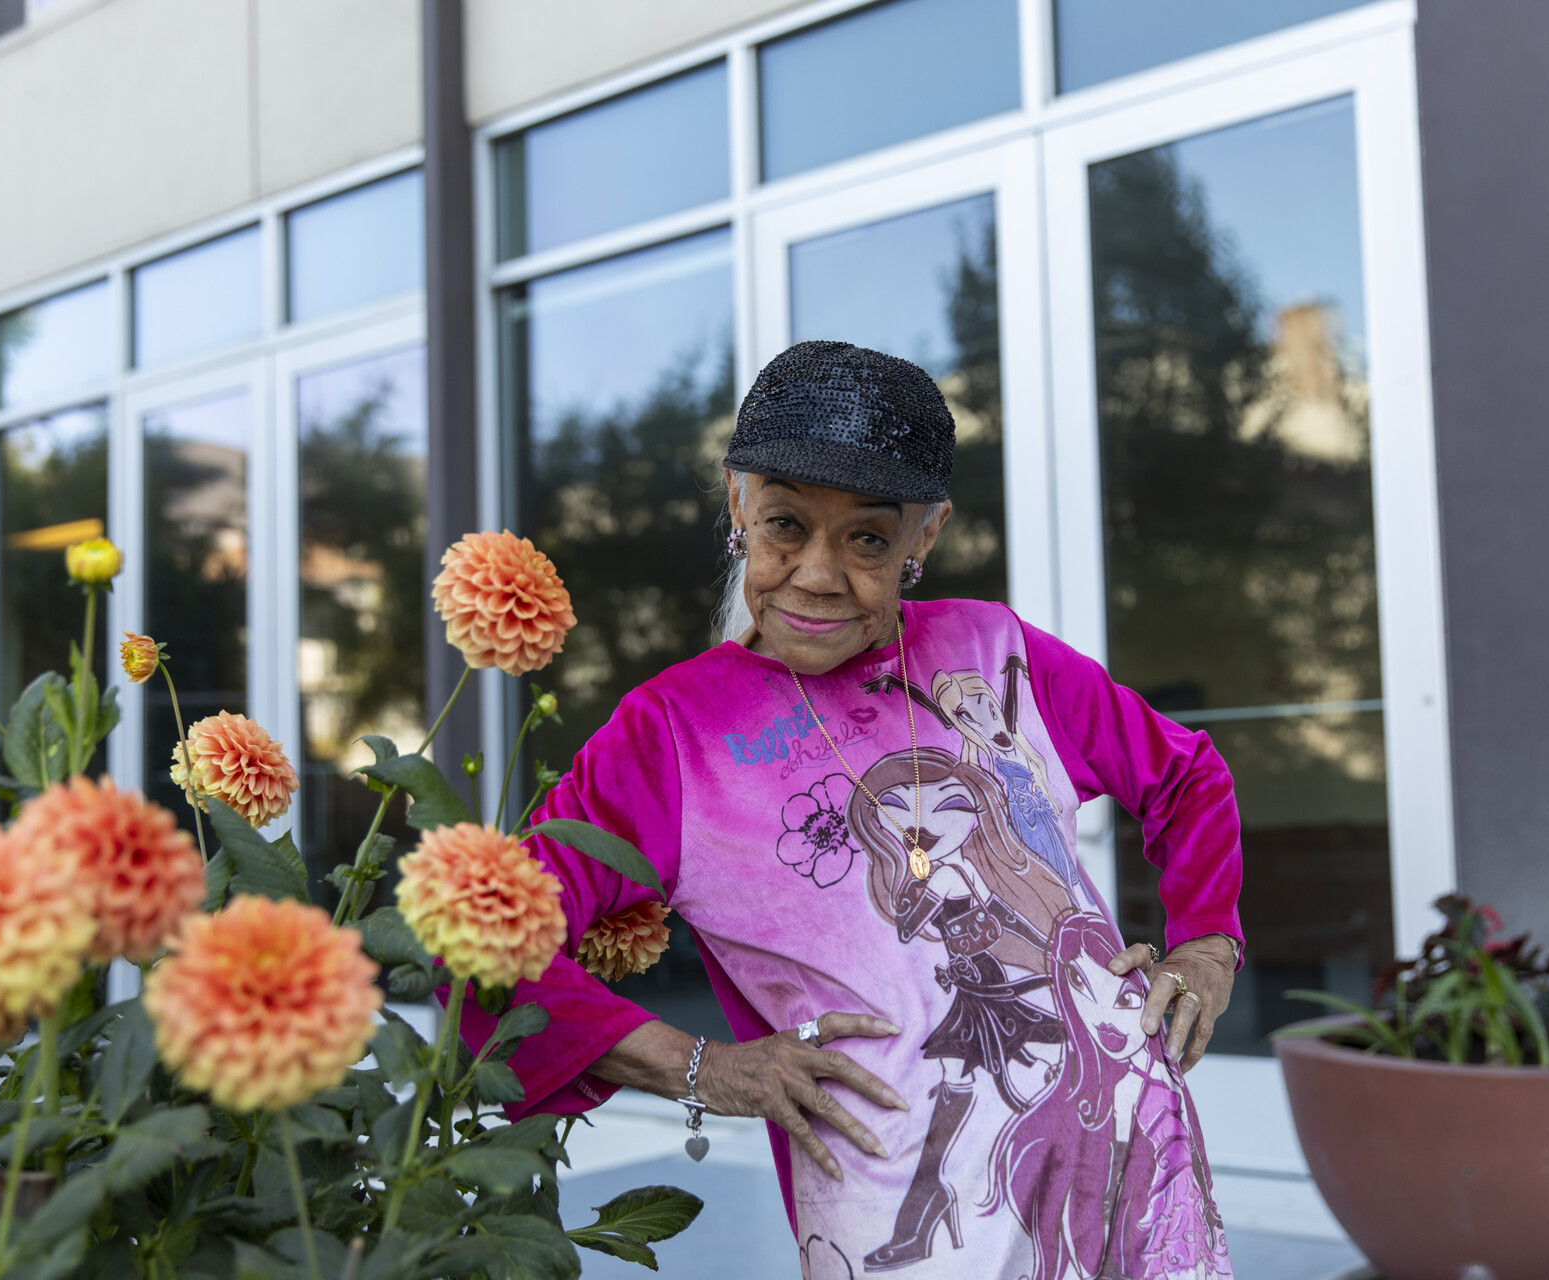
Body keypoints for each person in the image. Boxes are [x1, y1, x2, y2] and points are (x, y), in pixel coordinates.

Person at [470, 341, 1245, 1279]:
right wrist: (705, 1068)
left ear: (926, 534)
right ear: (736, 507)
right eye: (786, 526)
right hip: (916, 1232)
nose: (819, 574)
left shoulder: (996, 650)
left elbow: (1187, 775)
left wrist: (1205, 943)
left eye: (869, 538)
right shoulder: (674, 735)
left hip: (1140, 1174)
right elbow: (475, 943)